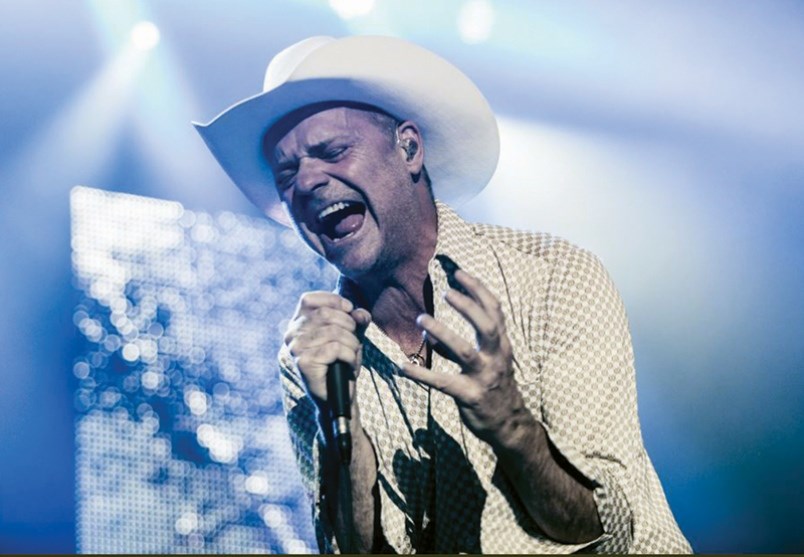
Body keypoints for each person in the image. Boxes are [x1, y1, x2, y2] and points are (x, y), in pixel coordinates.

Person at [194, 35, 691, 554]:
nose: (308, 182)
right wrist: (336, 424)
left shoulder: (551, 277)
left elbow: (602, 528)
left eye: (333, 151)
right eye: (287, 174)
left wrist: (511, 424)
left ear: (409, 148)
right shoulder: (313, 354)